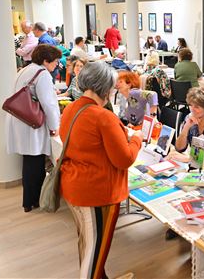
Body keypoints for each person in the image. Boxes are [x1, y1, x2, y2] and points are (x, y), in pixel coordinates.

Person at [59, 62, 143, 279]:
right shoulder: (102, 117)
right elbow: (124, 159)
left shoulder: (71, 108)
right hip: (95, 192)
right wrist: (137, 141)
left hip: (73, 185)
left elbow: (84, 143)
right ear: (106, 88)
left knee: (89, 244)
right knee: (94, 251)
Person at [6, 44, 61, 212]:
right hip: (31, 123)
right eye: (55, 61)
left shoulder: (27, 69)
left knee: (30, 161)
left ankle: (29, 201)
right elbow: (49, 104)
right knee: (34, 163)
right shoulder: (42, 74)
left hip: (20, 119)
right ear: (46, 60)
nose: (57, 65)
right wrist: (54, 127)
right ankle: (32, 201)